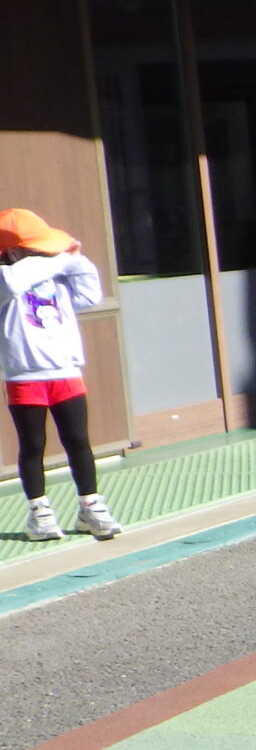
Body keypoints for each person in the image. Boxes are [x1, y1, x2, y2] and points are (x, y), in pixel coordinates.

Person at [0, 208, 118, 541]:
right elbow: (13, 280)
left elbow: (90, 292)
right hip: (24, 378)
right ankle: (40, 514)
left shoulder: (56, 277)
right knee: (33, 445)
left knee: (78, 441)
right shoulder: (7, 278)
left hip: (66, 373)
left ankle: (90, 507)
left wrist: (73, 258)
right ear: (13, 252)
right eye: (38, 247)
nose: (47, 253)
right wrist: (63, 258)